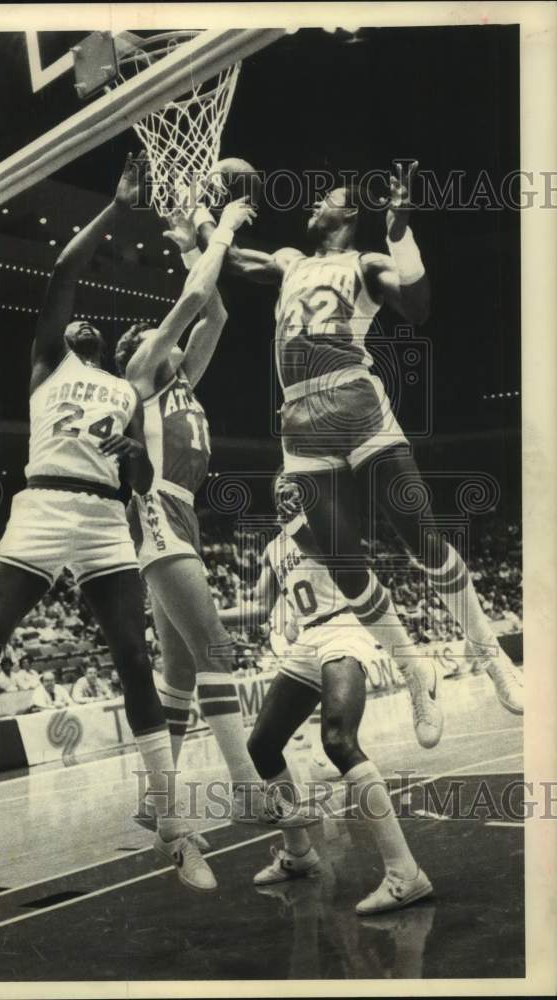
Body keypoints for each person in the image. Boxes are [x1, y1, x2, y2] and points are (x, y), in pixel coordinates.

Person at [0, 153, 239, 892]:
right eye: (82, 328)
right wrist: (114, 208)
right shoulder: (48, 364)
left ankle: (173, 822)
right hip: (42, 503)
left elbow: (138, 479)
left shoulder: (129, 388)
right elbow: (64, 273)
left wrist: (135, 454)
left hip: (104, 518)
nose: (88, 330)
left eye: (100, 331)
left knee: (134, 661)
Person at [195, 161, 522, 746]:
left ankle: (490, 653)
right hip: (300, 419)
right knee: (344, 565)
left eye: (327, 197)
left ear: (348, 215)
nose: (314, 202)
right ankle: (412, 670)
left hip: (356, 400)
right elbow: (232, 262)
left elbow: (418, 308)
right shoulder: (291, 261)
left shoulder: (365, 263)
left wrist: (401, 235)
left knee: (420, 533)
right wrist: (200, 217)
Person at [115, 199, 316, 833]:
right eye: (157, 333)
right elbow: (197, 294)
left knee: (177, 672)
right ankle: (247, 789)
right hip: (157, 514)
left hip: (183, 517)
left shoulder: (183, 385)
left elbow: (218, 309)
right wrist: (219, 228)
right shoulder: (142, 373)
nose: (164, 336)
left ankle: (155, 799)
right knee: (217, 652)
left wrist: (186, 242)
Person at [219, 480, 432, 914]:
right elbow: (259, 608)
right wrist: (204, 612)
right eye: (277, 486)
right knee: (261, 744)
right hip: (307, 641)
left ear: (306, 492)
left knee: (337, 741)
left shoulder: (325, 524)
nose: (283, 492)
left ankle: (405, 872)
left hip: (345, 628)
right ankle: (298, 853)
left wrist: (298, 518)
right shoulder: (274, 548)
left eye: (292, 486)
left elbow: (329, 554)